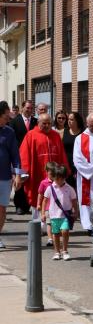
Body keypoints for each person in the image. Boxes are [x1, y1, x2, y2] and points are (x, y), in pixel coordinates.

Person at [19, 113, 70, 219]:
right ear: (38, 123)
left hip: (55, 175)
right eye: (44, 123)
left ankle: (52, 225)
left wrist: (65, 169)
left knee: (55, 197)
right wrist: (24, 172)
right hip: (37, 173)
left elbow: (62, 154)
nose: (47, 126)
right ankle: (38, 223)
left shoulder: (55, 135)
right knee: (38, 197)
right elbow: (24, 155)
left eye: (49, 123)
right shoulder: (31, 135)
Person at [43, 164, 78, 261]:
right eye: (56, 178)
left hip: (65, 214)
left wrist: (75, 211)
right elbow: (45, 200)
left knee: (65, 231)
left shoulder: (69, 188)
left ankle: (65, 250)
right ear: (53, 177)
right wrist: (43, 213)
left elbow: (74, 200)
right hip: (54, 215)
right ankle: (57, 252)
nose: (58, 181)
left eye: (61, 179)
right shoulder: (50, 188)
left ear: (65, 178)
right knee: (56, 234)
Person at [0, 101, 23, 248]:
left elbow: (15, 155)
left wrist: (18, 174)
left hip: (4, 177)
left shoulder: (9, 132)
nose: (9, 119)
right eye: (6, 116)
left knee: (2, 209)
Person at [10, 100, 36, 214]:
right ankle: (19, 206)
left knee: (30, 180)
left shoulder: (36, 121)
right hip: (19, 156)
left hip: (33, 156)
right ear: (22, 108)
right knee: (19, 180)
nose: (29, 110)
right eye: (27, 108)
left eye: (31, 108)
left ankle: (27, 205)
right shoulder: (15, 121)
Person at [62, 112, 85, 190]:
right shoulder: (63, 132)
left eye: (71, 119)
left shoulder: (84, 132)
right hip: (66, 164)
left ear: (77, 121)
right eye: (68, 119)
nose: (69, 121)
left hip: (80, 164)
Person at [37, 162, 57, 247]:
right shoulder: (43, 183)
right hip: (48, 208)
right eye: (50, 172)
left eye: (54, 173)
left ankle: (56, 237)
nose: (52, 175)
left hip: (57, 207)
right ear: (47, 172)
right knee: (49, 223)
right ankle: (50, 239)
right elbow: (40, 194)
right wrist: (38, 204)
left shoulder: (58, 182)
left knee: (55, 223)